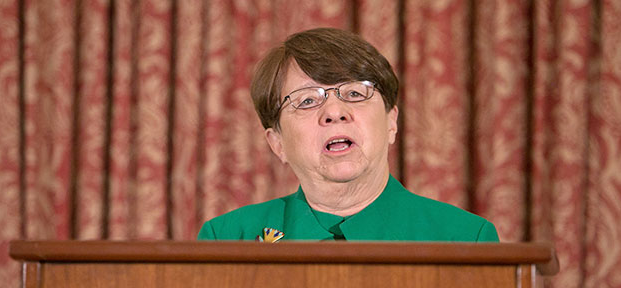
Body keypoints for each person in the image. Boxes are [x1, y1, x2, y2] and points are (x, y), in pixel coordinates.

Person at [197, 27, 498, 242]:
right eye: (307, 100)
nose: (335, 112)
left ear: (391, 121)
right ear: (278, 144)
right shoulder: (228, 239)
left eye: (355, 93)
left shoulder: (465, 239)